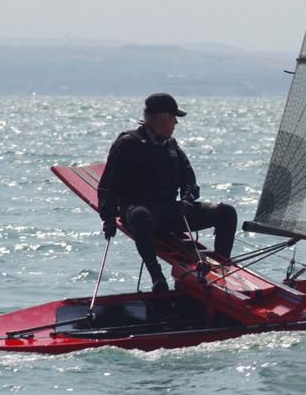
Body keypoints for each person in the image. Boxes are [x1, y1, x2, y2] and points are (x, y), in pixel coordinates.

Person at [97, 93, 237, 292]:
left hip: (171, 211)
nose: (176, 124)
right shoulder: (128, 144)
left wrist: (188, 198)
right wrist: (108, 218)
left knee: (226, 212)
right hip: (140, 212)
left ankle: (222, 269)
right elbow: (108, 185)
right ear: (161, 118)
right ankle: (156, 276)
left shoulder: (171, 146)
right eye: (174, 118)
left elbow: (189, 180)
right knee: (139, 215)